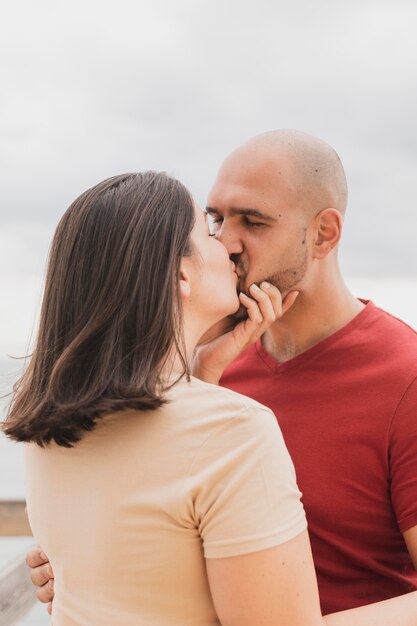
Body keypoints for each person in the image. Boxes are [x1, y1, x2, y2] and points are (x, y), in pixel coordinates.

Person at [25, 130, 417, 615]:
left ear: (324, 234)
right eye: (214, 220)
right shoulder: (194, 371)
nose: (226, 242)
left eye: (252, 221)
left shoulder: (406, 376)